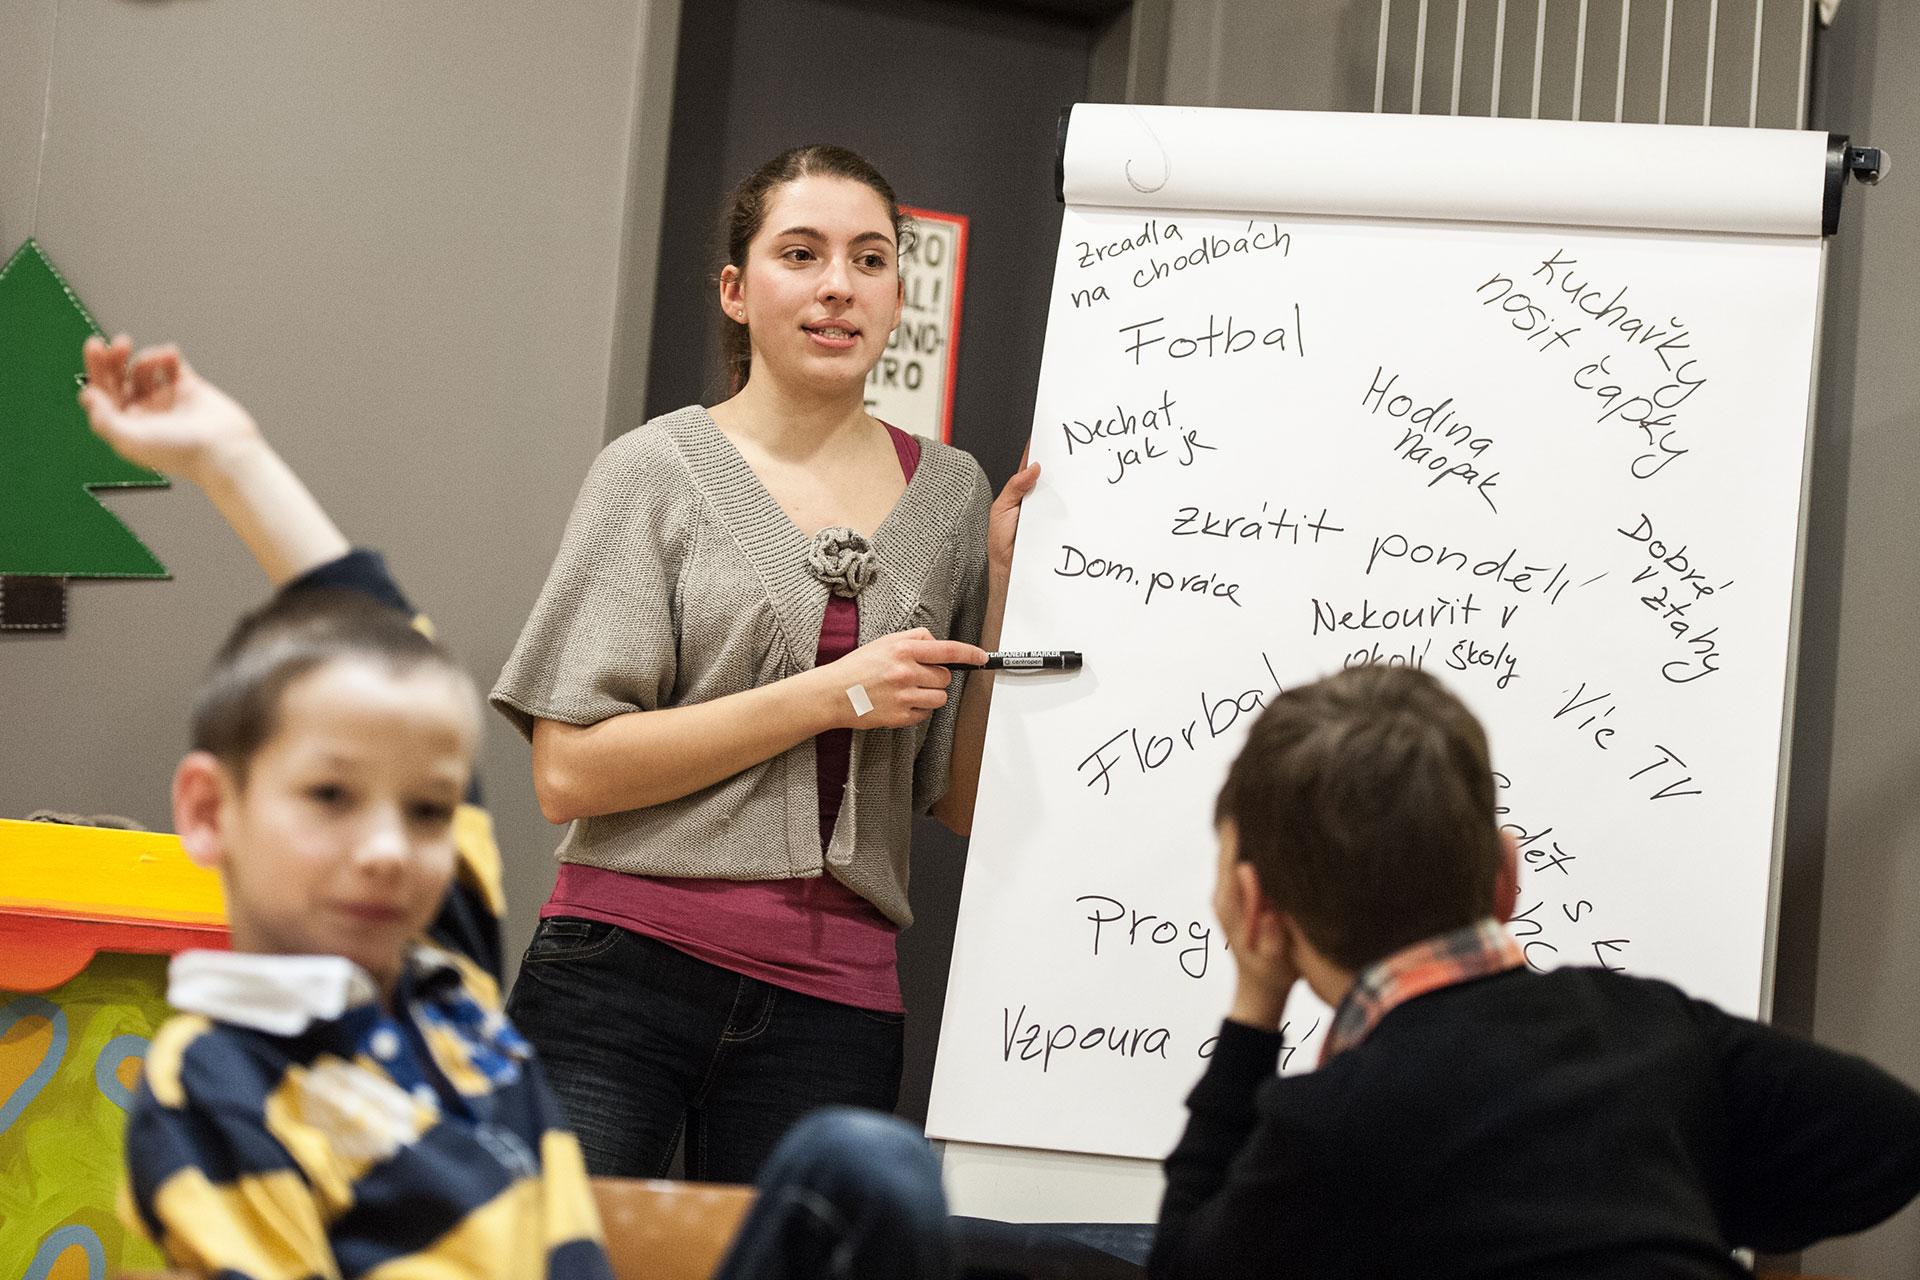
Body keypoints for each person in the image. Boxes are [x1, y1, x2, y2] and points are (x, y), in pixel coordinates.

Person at [83, 336, 957, 1279]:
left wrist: (234, 458)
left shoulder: (436, 986)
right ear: (211, 814)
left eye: (428, 813)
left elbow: (391, 652)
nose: (386, 848)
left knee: (869, 1167)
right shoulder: (213, 1083)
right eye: (329, 798)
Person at [492, 144, 1037, 1181]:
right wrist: (828, 695)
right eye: (801, 253)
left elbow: (961, 805)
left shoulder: (954, 496)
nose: (839, 285)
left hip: (837, 1008)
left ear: (897, 297)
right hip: (621, 977)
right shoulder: (651, 470)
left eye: (870, 259)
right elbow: (569, 772)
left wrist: (1005, 583)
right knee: (550, 1252)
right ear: (737, 292)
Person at [1153, 663, 1920, 1280]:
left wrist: (1254, 1005)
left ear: (1254, 909)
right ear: (1508, 876)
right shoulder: (1649, 1028)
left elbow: (1184, 1264)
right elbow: (1889, 1137)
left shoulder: (1329, 1130)